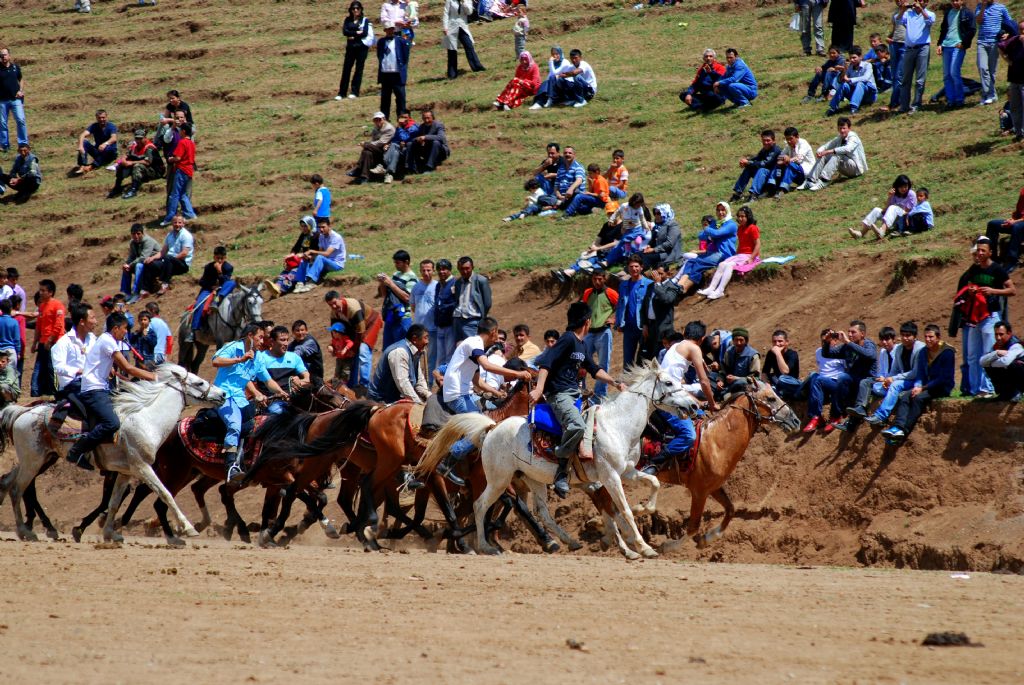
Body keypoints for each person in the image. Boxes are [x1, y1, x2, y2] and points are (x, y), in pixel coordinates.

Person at [530, 303, 625, 497]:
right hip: (559, 395)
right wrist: (539, 389)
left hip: (576, 395)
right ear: (587, 321)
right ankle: (560, 470)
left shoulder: (581, 345)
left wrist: (615, 382)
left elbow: (594, 369)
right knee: (577, 426)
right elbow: (545, 363)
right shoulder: (567, 339)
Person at [437, 317, 531, 486]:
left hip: (463, 393)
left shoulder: (475, 350)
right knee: (481, 429)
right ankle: (446, 462)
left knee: (487, 421)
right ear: (493, 332)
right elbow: (487, 367)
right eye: (498, 332)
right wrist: (518, 374)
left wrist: (497, 393)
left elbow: (478, 382)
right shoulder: (475, 343)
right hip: (457, 394)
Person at [62, 312, 156, 471]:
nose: (126, 331)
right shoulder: (108, 341)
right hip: (93, 390)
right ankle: (76, 451)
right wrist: (153, 377)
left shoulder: (107, 340)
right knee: (112, 423)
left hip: (100, 387)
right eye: (125, 328)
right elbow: (128, 368)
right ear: (115, 328)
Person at [212, 324, 287, 482]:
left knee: (255, 424)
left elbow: (267, 381)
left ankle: (245, 460)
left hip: (240, 397)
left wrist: (280, 392)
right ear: (250, 336)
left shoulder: (258, 357)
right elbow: (216, 361)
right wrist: (240, 359)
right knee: (234, 424)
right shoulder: (233, 347)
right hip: (222, 395)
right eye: (260, 337)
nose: (263, 341)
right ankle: (230, 467)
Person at [641, 320, 717, 477]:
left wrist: (698, 403)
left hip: (665, 392)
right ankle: (655, 462)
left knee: (700, 415)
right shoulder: (695, 348)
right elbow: (704, 381)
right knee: (689, 435)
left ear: (684, 334)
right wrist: (712, 403)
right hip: (668, 399)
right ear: (702, 339)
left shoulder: (676, 345)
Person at [956, 236, 1015, 397]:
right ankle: (975, 389)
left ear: (990, 252)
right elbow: (967, 285)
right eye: (978, 250)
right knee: (972, 355)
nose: (980, 253)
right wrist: (971, 290)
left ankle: (987, 388)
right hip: (974, 317)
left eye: (983, 250)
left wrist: (993, 291)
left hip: (990, 316)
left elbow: (1012, 290)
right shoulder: (974, 269)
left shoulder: (997, 269)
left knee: (988, 353)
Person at [881, 324, 955, 443]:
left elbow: (943, 377)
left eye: (931, 337)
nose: (928, 339)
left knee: (918, 399)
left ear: (938, 337)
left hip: (942, 387)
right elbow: (920, 373)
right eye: (926, 337)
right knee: (905, 396)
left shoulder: (947, 352)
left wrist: (923, 387)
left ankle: (904, 431)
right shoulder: (923, 352)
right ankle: (897, 427)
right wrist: (918, 386)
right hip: (925, 385)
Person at [845, 321, 925, 427]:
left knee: (895, 385)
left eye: (908, 335)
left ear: (914, 336)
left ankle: (881, 416)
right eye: (903, 335)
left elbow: (916, 372)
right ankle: (859, 410)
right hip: (900, 379)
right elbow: (894, 369)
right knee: (870, 385)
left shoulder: (920, 349)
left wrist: (893, 379)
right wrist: (887, 379)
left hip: (917, 380)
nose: (905, 338)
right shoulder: (900, 349)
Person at [698, 205, 761, 300]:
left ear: (748, 217)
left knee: (729, 265)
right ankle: (711, 288)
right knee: (722, 264)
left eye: (743, 216)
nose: (740, 218)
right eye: (739, 216)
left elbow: (758, 244)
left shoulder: (753, 228)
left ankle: (720, 290)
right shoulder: (740, 228)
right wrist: (736, 255)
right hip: (740, 255)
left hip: (748, 255)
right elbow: (741, 244)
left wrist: (751, 258)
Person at [674, 201, 737, 294]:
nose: (720, 213)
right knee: (691, 261)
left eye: (723, 210)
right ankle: (679, 285)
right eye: (718, 210)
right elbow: (701, 236)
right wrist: (709, 230)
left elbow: (717, 233)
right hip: (713, 253)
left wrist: (707, 228)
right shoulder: (717, 224)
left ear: (727, 211)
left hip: (724, 254)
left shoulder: (731, 224)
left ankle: (685, 288)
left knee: (699, 263)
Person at [325, 292, 381, 388]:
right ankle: (352, 384)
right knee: (349, 354)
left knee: (363, 350)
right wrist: (334, 347)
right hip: (354, 328)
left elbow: (360, 332)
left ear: (341, 298)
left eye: (335, 303)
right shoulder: (334, 313)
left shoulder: (353, 308)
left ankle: (364, 384)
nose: (333, 306)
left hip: (370, 323)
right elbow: (335, 333)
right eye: (330, 305)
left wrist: (353, 350)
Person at [802, 328, 854, 432]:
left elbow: (847, 369)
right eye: (823, 340)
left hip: (836, 382)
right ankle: (816, 417)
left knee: (818, 379)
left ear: (835, 340)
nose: (825, 342)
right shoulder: (819, 352)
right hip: (823, 383)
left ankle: (820, 417)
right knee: (814, 376)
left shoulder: (840, 351)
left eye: (828, 340)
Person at [799, 117, 867, 191]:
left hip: (856, 170)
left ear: (849, 128)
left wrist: (829, 151)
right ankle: (810, 181)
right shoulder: (840, 138)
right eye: (840, 128)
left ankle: (824, 180)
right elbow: (827, 145)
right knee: (824, 155)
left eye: (844, 128)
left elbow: (847, 149)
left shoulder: (853, 137)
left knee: (838, 154)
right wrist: (819, 151)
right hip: (847, 167)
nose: (842, 130)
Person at [579, 269, 618, 401]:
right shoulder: (588, 293)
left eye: (600, 279)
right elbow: (583, 309)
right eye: (595, 279)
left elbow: (622, 305)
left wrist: (615, 319)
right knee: (581, 360)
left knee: (603, 364)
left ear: (605, 279)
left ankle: (600, 395)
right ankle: (581, 389)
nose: (597, 281)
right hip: (589, 333)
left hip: (604, 332)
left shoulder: (610, 293)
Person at [368, 323, 431, 403]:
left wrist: (428, 396)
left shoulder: (415, 352)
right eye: (425, 338)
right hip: (381, 400)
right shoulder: (400, 352)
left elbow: (418, 380)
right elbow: (403, 383)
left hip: (395, 398)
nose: (427, 341)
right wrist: (418, 403)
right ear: (414, 339)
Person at [895, 0, 936, 114]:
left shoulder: (929, 13)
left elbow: (930, 21)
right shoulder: (908, 14)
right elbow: (897, 20)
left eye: (922, 0)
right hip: (909, 49)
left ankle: (916, 104)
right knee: (905, 78)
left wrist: (921, 10)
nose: (919, 2)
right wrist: (903, 9)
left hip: (923, 48)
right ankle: (904, 105)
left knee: (920, 79)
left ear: (926, 3)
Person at [258, 325, 310, 415]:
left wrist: (300, 382)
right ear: (272, 341)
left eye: (287, 340)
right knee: (278, 412)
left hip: (294, 400)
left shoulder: (294, 357)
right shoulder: (261, 358)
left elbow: (307, 378)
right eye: (282, 340)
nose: (286, 343)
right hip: (272, 401)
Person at [975, 0, 1019, 106]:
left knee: (991, 70)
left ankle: (989, 96)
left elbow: (1010, 24)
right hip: (982, 42)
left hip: (995, 43)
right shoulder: (979, 7)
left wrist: (1007, 34)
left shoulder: (1001, 8)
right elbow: (979, 21)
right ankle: (989, 94)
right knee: (982, 67)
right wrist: (983, 8)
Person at [188, 246, 236, 340]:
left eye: (222, 258)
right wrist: (211, 286)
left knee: (232, 283)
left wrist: (219, 272)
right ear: (214, 257)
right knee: (199, 305)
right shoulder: (208, 267)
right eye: (218, 258)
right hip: (208, 290)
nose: (220, 260)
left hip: (222, 290)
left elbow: (226, 280)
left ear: (225, 257)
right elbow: (202, 282)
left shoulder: (228, 267)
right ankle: (193, 331)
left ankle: (219, 299)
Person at [140, 215, 194, 297]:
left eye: (179, 222)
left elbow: (184, 253)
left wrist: (170, 260)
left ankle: (165, 284)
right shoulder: (170, 235)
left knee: (168, 258)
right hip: (168, 262)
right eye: (175, 222)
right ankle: (145, 290)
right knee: (149, 263)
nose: (177, 224)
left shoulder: (186, 235)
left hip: (182, 264)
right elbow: (163, 252)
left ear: (183, 224)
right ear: (172, 223)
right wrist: (152, 258)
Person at [937, 0, 976, 109]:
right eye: (952, 0)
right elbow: (943, 29)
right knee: (946, 75)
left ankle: (959, 100)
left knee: (954, 72)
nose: (954, 2)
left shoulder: (967, 13)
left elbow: (972, 29)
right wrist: (940, 44)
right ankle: (950, 100)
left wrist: (964, 43)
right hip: (946, 46)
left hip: (958, 47)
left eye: (957, 0)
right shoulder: (948, 12)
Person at [615, 255, 652, 370]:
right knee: (627, 361)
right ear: (627, 268)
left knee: (644, 359)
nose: (634, 269)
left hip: (643, 328)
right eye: (631, 266)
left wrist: (648, 325)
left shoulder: (649, 284)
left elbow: (651, 307)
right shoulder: (623, 285)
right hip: (628, 328)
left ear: (641, 267)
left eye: (636, 266)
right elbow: (620, 305)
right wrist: (619, 322)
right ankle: (627, 386)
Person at [851, 174, 916, 239]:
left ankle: (882, 231)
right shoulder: (895, 194)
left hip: (905, 219)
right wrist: (889, 197)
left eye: (905, 186)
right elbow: (885, 210)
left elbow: (906, 211)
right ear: (897, 187)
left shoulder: (911, 194)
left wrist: (893, 210)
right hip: (895, 217)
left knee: (893, 207)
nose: (904, 189)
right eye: (901, 187)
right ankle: (861, 233)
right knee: (876, 210)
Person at [292, 217, 346, 293]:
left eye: (323, 227)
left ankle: (311, 282)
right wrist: (310, 257)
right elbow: (320, 252)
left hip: (336, 264)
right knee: (305, 259)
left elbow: (327, 253)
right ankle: (300, 283)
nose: (321, 229)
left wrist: (311, 251)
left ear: (329, 226)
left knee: (320, 258)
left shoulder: (336, 237)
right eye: (319, 227)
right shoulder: (321, 236)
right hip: (325, 261)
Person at [31, 279, 65, 398]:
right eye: (40, 290)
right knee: (41, 367)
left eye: (43, 290)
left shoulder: (57, 305)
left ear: (50, 292)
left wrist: (50, 340)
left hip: (54, 342)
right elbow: (38, 326)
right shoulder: (42, 307)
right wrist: (35, 342)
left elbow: (58, 324)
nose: (40, 293)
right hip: (43, 342)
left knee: (52, 368)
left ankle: (55, 392)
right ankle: (39, 392)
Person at [108, 128, 164, 199]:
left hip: (156, 171)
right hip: (145, 170)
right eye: (137, 138)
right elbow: (127, 155)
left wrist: (131, 162)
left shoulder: (149, 147)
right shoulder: (134, 146)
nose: (139, 141)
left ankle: (134, 189)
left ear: (145, 138)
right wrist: (123, 160)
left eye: (141, 138)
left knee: (137, 166)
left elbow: (147, 162)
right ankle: (117, 187)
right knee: (121, 165)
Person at [160, 122, 197, 226]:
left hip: (181, 169)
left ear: (184, 131)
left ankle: (170, 217)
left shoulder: (182, 142)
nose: (179, 132)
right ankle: (190, 214)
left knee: (174, 194)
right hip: (189, 170)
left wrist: (171, 159)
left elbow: (178, 157)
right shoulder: (192, 143)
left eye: (180, 130)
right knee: (183, 194)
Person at [379, 249, 417, 347]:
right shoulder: (396, 275)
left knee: (401, 349)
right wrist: (382, 283)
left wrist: (391, 284)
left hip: (402, 317)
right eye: (395, 262)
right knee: (388, 349)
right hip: (391, 315)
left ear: (406, 262)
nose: (395, 265)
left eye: (398, 263)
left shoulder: (412, 278)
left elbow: (407, 298)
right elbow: (385, 295)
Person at [730, 130, 781, 202]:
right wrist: (746, 161)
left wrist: (748, 162)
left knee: (762, 169)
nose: (766, 143)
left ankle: (754, 195)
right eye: (764, 140)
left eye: (768, 140)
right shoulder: (764, 150)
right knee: (749, 168)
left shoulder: (776, 150)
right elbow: (756, 158)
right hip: (763, 177)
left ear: (774, 140)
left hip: (772, 179)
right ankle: (738, 193)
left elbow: (765, 163)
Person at [640, 265, 679, 361]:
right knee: (647, 356)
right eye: (657, 274)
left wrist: (658, 284)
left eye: (661, 274)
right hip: (650, 327)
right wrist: (644, 324)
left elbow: (667, 300)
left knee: (660, 356)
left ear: (668, 274)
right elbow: (644, 306)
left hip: (663, 328)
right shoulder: (650, 286)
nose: (658, 276)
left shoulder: (672, 287)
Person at [984, 180, 1024, 272]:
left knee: (1016, 227)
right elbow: (1019, 211)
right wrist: (1012, 219)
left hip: (1019, 224)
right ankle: (992, 258)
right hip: (1019, 222)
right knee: (992, 224)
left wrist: (1015, 222)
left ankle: (1012, 261)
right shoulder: (1023, 191)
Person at [980, 320, 1024, 401]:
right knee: (989, 366)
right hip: (1008, 374)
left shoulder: (1016, 345)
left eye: (1001, 334)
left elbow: (1005, 362)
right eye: (996, 334)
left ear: (1009, 333)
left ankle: (1018, 391)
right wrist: (997, 353)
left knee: (1013, 364)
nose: (998, 338)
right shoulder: (996, 347)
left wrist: (990, 363)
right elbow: (982, 361)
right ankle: (1004, 393)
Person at [765, 126, 815, 196]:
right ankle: (772, 186)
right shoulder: (788, 145)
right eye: (787, 139)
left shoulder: (803, 143)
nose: (789, 141)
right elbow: (781, 156)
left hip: (807, 173)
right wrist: (782, 159)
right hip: (796, 172)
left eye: (791, 139)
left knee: (790, 164)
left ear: (797, 136)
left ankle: (782, 189)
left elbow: (799, 158)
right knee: (778, 165)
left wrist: (787, 160)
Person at [827, 45, 877, 115]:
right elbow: (840, 81)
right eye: (850, 58)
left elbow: (866, 78)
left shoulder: (867, 65)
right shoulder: (850, 67)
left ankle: (854, 108)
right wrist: (844, 70)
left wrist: (850, 79)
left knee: (860, 83)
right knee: (844, 85)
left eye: (854, 58)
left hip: (869, 95)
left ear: (860, 57)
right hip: (855, 93)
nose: (852, 60)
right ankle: (833, 108)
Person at [451, 256, 492, 341]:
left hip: (472, 320)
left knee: (472, 347)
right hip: (458, 320)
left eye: (467, 268)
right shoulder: (458, 282)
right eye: (461, 269)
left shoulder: (481, 281)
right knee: (460, 347)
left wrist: (481, 318)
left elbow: (487, 303)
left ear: (472, 267)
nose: (464, 271)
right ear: (458, 269)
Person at [376, 22, 411, 121]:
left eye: (392, 29)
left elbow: (405, 56)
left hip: (397, 74)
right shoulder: (381, 42)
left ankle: (401, 119)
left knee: (400, 97)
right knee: (385, 99)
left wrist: (402, 68)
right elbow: (379, 55)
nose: (390, 31)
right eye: (388, 29)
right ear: (385, 30)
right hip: (385, 74)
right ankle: (385, 119)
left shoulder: (400, 41)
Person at [338, 1, 372, 100]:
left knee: (359, 70)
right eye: (353, 8)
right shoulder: (348, 20)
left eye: (357, 8)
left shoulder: (364, 20)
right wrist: (357, 32)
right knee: (346, 69)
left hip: (361, 48)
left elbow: (365, 33)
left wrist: (352, 35)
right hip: (350, 48)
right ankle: (342, 93)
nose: (355, 10)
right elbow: (345, 31)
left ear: (361, 9)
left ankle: (355, 91)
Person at [411, 259, 439, 379]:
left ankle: (430, 381)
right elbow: (413, 306)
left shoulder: (438, 286)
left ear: (433, 270)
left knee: (431, 357)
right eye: (423, 270)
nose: (426, 273)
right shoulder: (416, 287)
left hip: (432, 327)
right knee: (416, 355)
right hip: (418, 328)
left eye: (428, 270)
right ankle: (416, 380)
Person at [443, 0, 485, 80]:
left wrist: (463, 3)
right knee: (452, 50)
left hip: (462, 26)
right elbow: (446, 13)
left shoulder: (467, 0)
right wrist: (445, 27)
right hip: (451, 26)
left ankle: (477, 67)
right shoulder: (450, 1)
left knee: (469, 46)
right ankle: (452, 74)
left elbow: (469, 12)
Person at [350, 113, 395, 184]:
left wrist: (366, 144)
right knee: (366, 152)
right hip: (376, 149)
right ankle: (364, 177)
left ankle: (358, 169)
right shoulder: (376, 128)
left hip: (386, 151)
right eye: (375, 120)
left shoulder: (389, 128)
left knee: (367, 146)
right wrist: (368, 145)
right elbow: (373, 141)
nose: (377, 121)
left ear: (384, 119)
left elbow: (382, 142)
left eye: (379, 119)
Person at [74, 109, 118, 175]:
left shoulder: (111, 126)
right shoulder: (94, 126)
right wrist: (80, 146)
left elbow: (114, 138)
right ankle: (82, 165)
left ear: (106, 117)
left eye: (103, 117)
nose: (101, 119)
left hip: (109, 153)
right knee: (84, 142)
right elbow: (82, 135)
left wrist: (105, 144)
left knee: (106, 148)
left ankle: (92, 166)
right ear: (96, 118)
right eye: (99, 118)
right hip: (99, 151)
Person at [718, 327, 762, 395]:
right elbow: (723, 369)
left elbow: (755, 378)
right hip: (729, 382)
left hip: (745, 386)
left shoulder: (753, 355)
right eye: (736, 340)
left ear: (746, 341)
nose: (738, 343)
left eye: (741, 340)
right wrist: (720, 380)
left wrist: (737, 378)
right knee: (712, 376)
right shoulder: (728, 351)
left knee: (739, 383)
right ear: (733, 340)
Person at [0, 47, 27, 154]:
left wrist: (21, 90)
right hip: (2, 101)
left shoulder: (15, 67)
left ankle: (23, 143)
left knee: (21, 120)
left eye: (5, 55)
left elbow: (21, 79)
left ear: (9, 56)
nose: (3, 57)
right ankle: (4, 144)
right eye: (1, 56)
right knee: (2, 123)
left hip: (16, 99)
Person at [1000, 21, 1024, 141]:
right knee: (1015, 107)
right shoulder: (1014, 40)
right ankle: (1019, 132)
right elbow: (1001, 47)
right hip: (1014, 80)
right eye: (1021, 30)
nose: (1023, 32)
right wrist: (1008, 61)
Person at [761, 329, 801, 400]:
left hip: (790, 382)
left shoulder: (792, 354)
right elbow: (765, 372)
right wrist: (767, 385)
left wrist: (778, 353)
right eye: (774, 341)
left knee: (782, 378)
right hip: (777, 381)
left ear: (786, 342)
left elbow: (785, 372)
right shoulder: (770, 354)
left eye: (780, 341)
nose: (777, 344)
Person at [406, 110, 449, 174]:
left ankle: (430, 167)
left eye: (428, 118)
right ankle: (411, 167)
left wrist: (426, 137)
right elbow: (418, 137)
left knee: (436, 142)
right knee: (410, 144)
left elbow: (441, 137)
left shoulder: (439, 125)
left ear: (433, 117)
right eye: (424, 118)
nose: (426, 120)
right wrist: (418, 139)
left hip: (440, 151)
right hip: (427, 150)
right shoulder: (422, 127)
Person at [641, 204, 682, 269]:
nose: (656, 215)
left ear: (665, 214)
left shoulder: (672, 225)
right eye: (655, 213)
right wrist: (649, 245)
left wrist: (653, 249)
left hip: (669, 253)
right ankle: (626, 273)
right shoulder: (658, 225)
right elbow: (653, 239)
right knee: (638, 254)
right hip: (658, 251)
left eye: (658, 213)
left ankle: (638, 274)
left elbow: (670, 244)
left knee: (646, 257)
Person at [383, 110, 420, 182]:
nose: (404, 119)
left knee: (394, 146)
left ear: (409, 118)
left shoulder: (414, 126)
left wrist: (399, 128)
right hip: (399, 148)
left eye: (405, 117)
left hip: (410, 150)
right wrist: (387, 145)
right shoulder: (401, 127)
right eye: (402, 117)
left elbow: (404, 138)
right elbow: (395, 139)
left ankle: (384, 166)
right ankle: (389, 175)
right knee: (395, 151)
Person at [433, 259, 458, 365]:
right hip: (440, 325)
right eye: (439, 269)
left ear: (450, 270)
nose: (441, 272)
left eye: (444, 269)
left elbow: (457, 303)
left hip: (450, 325)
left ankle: (447, 379)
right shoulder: (439, 285)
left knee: (449, 355)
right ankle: (441, 379)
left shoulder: (455, 284)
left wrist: (444, 307)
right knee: (441, 356)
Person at [0, 298, 22, 368]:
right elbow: (17, 339)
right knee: (10, 376)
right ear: (11, 308)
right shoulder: (14, 322)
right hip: (10, 352)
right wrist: (18, 352)